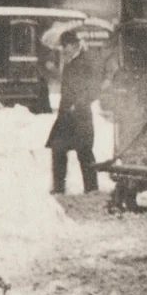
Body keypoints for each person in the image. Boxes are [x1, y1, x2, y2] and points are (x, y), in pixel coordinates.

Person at [46, 29, 101, 195]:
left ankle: (91, 189)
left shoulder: (86, 61)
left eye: (65, 47)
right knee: (58, 148)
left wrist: (79, 104)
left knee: (84, 151)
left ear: (73, 45)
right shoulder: (69, 63)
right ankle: (59, 188)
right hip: (66, 116)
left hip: (81, 115)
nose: (63, 50)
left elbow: (94, 88)